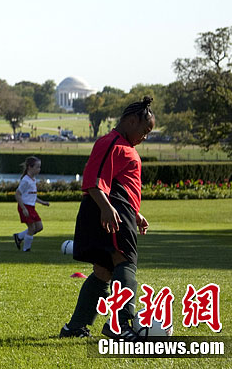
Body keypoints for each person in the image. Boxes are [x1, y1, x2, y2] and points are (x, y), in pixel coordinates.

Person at [60, 96, 155, 340]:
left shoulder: (123, 145)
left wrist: (135, 213)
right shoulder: (110, 142)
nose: (145, 136)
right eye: (145, 130)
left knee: (103, 271)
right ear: (131, 121)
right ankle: (121, 327)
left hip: (118, 210)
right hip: (110, 212)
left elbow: (119, 184)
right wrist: (107, 208)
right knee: (125, 263)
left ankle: (74, 328)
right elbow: (93, 180)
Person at [12, 156, 49, 252]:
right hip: (25, 207)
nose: (39, 169)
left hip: (31, 207)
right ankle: (26, 249)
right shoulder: (25, 180)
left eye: (39, 167)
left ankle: (19, 237)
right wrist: (23, 208)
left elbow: (32, 196)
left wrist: (42, 202)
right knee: (32, 228)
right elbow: (17, 194)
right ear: (29, 167)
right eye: (37, 167)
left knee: (39, 227)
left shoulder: (33, 180)